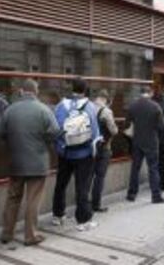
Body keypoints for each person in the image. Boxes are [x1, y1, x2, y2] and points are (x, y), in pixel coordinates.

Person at [0, 79, 60, 246]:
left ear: (22, 91)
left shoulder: (10, 109)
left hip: (16, 162)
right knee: (33, 200)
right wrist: (44, 141)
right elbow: (55, 132)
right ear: (36, 92)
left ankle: (6, 233)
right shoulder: (44, 110)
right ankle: (30, 235)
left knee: (12, 198)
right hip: (38, 163)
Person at [52, 77, 101, 231]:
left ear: (71, 88)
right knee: (82, 187)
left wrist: (61, 147)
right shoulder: (90, 106)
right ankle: (83, 221)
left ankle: (58, 215)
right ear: (85, 90)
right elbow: (94, 132)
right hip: (84, 154)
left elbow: (56, 129)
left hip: (65, 153)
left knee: (61, 185)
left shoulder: (61, 105)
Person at [125, 86, 164, 204]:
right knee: (153, 168)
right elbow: (162, 126)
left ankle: (131, 194)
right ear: (150, 93)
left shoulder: (132, 106)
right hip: (151, 142)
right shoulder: (155, 106)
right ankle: (156, 196)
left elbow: (126, 123)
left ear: (140, 93)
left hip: (137, 141)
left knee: (135, 168)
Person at [91, 89, 118, 212]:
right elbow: (113, 131)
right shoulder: (106, 111)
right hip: (103, 148)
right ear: (106, 100)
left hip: (88, 148)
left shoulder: (88, 108)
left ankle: (84, 202)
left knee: (87, 176)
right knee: (99, 177)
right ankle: (96, 204)